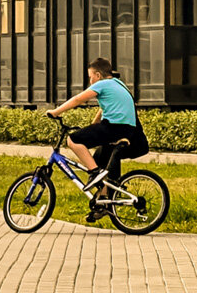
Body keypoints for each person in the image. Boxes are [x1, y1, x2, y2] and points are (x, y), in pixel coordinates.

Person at [46, 57, 149, 222]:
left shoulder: (101, 84)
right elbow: (103, 109)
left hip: (115, 127)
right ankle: (102, 204)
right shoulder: (118, 84)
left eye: (90, 76)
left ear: (98, 75)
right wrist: (92, 127)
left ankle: (95, 173)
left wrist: (56, 112)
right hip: (128, 130)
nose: (90, 80)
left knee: (73, 140)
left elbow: (78, 99)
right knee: (101, 158)